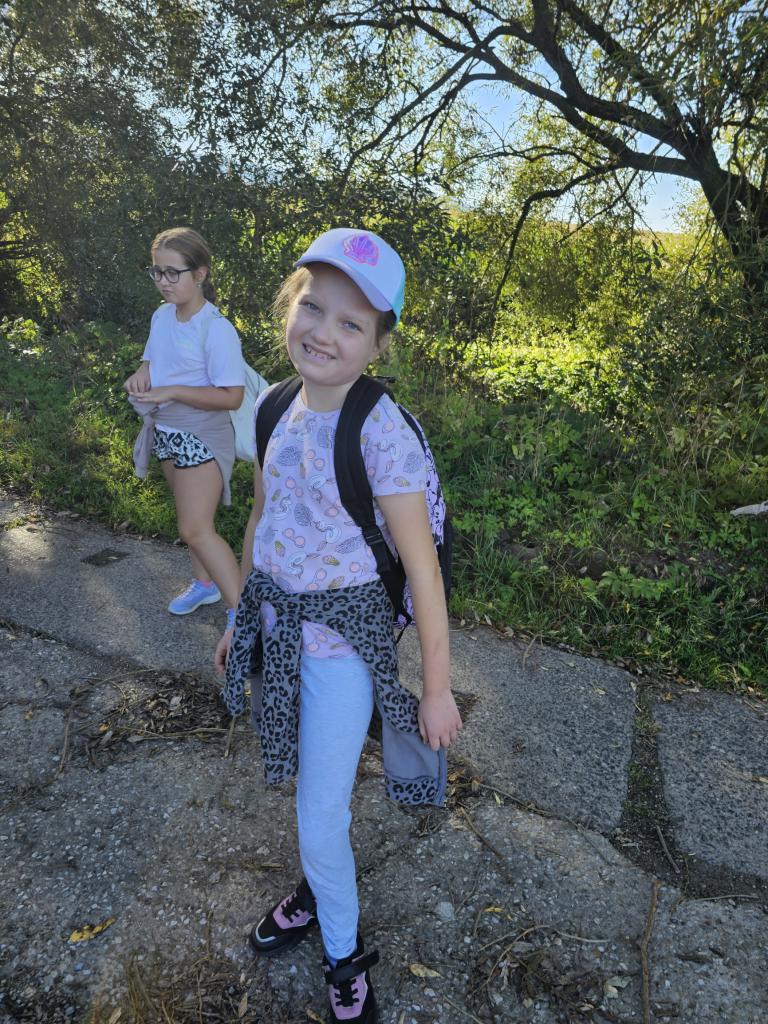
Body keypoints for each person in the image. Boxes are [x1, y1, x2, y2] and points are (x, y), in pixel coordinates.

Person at [215, 227, 462, 1024]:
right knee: (314, 800)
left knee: (321, 814)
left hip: (344, 650)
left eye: (351, 323)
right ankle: (318, 887)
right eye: (313, 308)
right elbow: (262, 516)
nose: (324, 332)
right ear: (290, 306)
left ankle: (344, 955)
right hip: (278, 628)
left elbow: (422, 571)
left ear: (379, 342)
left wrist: (435, 689)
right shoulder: (272, 406)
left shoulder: (380, 431)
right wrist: (240, 619)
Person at [123, 227, 244, 632]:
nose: (163, 281)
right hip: (167, 430)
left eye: (173, 273)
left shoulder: (217, 329)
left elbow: (232, 397)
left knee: (195, 528)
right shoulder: (162, 316)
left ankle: (241, 613)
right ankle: (205, 584)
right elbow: (152, 362)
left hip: (202, 435)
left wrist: (172, 391)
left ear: (200, 274)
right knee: (190, 521)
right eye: (156, 272)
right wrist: (142, 375)